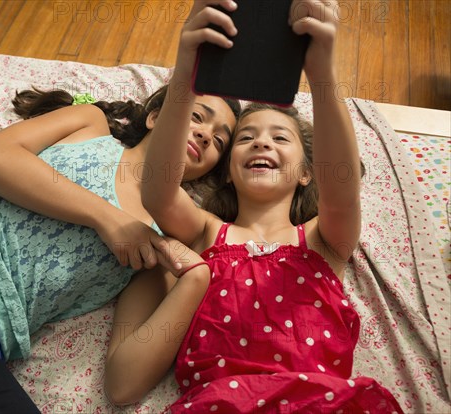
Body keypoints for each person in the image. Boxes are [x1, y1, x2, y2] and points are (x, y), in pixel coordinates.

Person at [0, 36, 240, 414]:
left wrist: (195, 278)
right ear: (156, 116)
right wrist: (108, 217)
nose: (206, 134)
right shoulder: (91, 125)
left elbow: (123, 384)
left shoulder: (156, 243)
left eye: (220, 141)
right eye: (196, 116)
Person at [104, 0, 404, 412]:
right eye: (246, 138)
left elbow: (342, 186)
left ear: (306, 173)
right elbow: (158, 191)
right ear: (228, 172)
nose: (262, 142)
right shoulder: (207, 234)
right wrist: (186, 71)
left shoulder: (324, 240)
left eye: (281, 138)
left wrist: (321, 73)